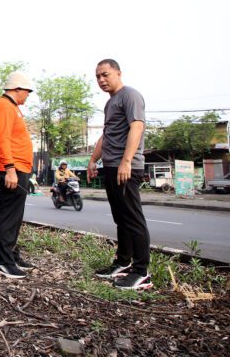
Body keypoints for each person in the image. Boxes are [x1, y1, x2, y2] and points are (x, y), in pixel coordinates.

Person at [87, 59, 152, 291]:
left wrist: (126, 161)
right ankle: (123, 262)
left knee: (133, 218)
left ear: (118, 73)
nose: (102, 80)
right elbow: (107, 135)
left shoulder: (130, 95)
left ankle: (142, 271)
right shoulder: (110, 103)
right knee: (121, 217)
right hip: (112, 165)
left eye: (105, 75)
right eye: (98, 77)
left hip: (127, 166)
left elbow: (137, 127)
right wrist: (94, 159)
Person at [0, 71, 35, 279]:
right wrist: (9, 168)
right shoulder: (4, 106)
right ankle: (3, 262)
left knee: (15, 216)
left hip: (19, 168)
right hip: (11, 168)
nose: (28, 96)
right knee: (8, 215)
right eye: (27, 91)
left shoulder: (12, 108)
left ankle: (12, 255)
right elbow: (3, 140)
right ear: (18, 89)